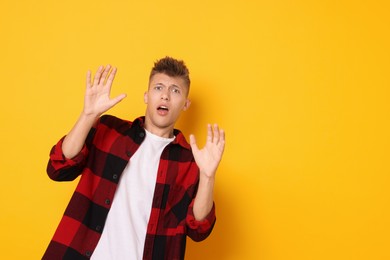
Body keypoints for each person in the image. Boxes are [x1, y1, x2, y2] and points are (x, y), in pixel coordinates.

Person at [43, 57, 225, 260]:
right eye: (158, 88)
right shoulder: (109, 130)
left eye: (175, 90)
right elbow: (58, 167)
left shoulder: (190, 161)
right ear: (146, 96)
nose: (165, 96)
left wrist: (208, 176)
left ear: (185, 103)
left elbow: (199, 229)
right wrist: (87, 115)